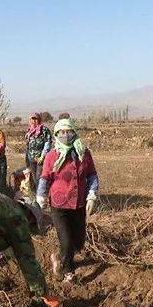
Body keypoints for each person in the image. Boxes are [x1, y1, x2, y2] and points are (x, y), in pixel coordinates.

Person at [36, 119, 99, 282]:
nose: (65, 135)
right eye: (61, 132)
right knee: (67, 241)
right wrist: (41, 196)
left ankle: (58, 257)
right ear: (56, 134)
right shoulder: (51, 155)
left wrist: (92, 194)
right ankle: (68, 272)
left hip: (79, 204)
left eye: (68, 131)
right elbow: (45, 178)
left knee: (79, 242)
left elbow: (92, 175)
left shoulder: (83, 153)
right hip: (59, 205)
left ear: (74, 133)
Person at [24, 112, 52, 190]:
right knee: (33, 178)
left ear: (39, 120)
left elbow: (47, 143)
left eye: (35, 119)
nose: (33, 121)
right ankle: (36, 195)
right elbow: (28, 146)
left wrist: (43, 156)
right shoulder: (29, 131)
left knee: (39, 178)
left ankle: (41, 195)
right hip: (31, 158)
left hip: (41, 159)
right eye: (32, 119)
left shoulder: (44, 130)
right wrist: (27, 161)